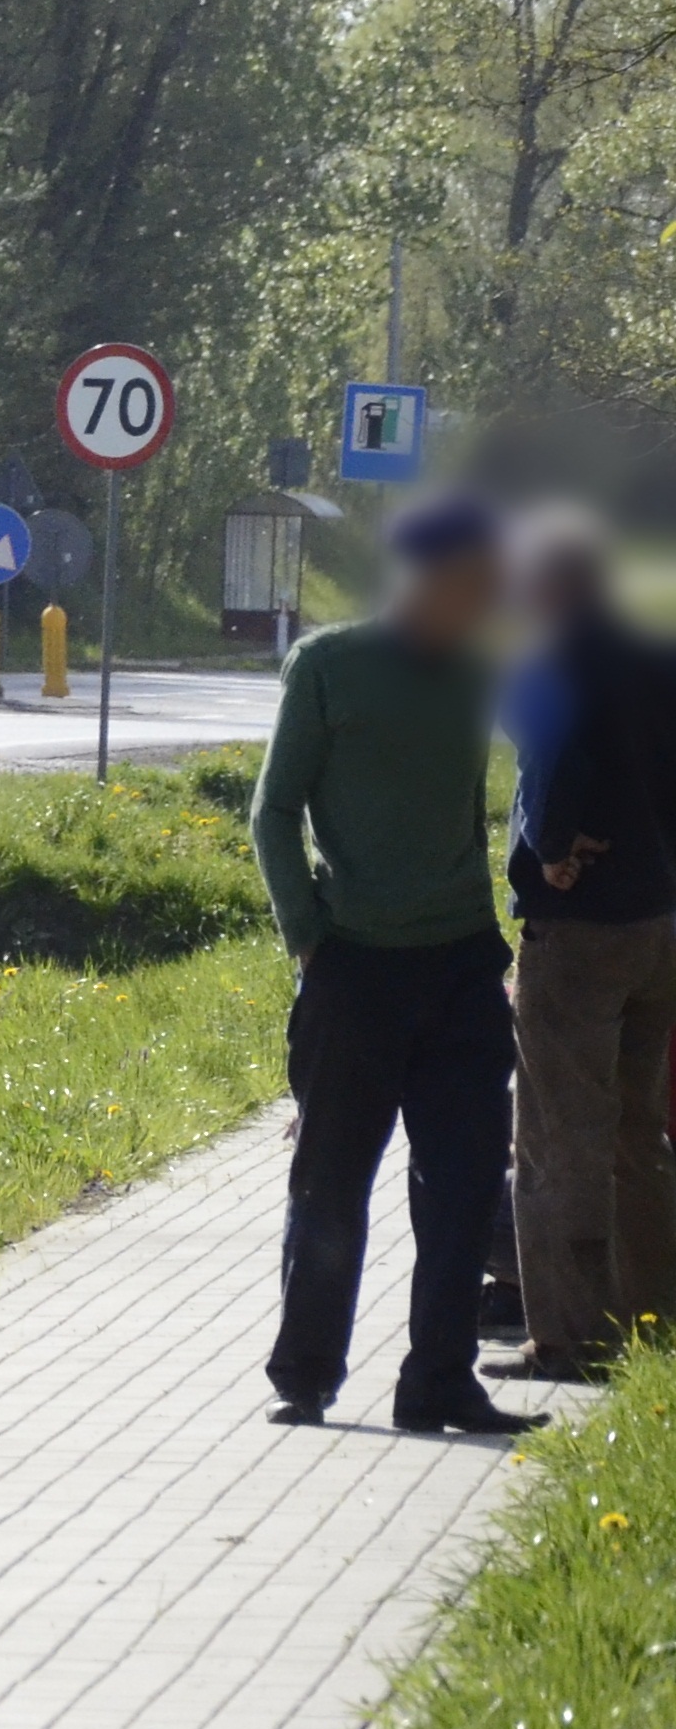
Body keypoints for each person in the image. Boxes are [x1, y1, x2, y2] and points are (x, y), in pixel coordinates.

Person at [250, 491, 532, 1433]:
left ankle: (439, 1382)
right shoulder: (329, 666)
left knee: (460, 1185)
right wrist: (308, 934)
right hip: (355, 969)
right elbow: (273, 811)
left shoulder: (479, 670)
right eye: (481, 582)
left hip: (460, 966)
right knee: (332, 1180)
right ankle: (306, 1372)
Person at [498, 510, 676, 1381]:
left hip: (584, 931)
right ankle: (655, 1320)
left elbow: (550, 764)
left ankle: (569, 1337)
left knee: (558, 1136)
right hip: (660, 921)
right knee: (639, 1130)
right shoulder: (658, 651)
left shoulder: (560, 655)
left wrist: (553, 845)